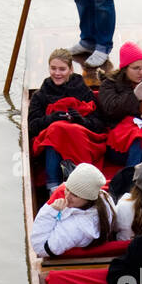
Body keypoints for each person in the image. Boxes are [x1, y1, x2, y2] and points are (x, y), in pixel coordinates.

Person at [27, 48, 103, 191]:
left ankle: (73, 183)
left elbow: (99, 124)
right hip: (52, 143)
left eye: (62, 69)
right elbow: (32, 126)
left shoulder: (84, 92)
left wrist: (80, 120)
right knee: (56, 130)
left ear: (71, 69)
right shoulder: (40, 95)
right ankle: (53, 186)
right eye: (53, 68)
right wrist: (51, 118)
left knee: (60, 130)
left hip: (80, 141)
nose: (57, 73)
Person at [97, 41, 142, 166]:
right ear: (125, 68)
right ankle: (131, 180)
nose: (141, 72)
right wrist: (134, 97)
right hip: (119, 143)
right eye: (136, 68)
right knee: (140, 137)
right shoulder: (109, 85)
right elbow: (110, 110)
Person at [30, 162, 115, 258]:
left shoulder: (74, 228)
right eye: (67, 189)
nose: (67, 196)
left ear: (88, 199)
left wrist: (50, 211)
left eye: (75, 195)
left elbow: (40, 249)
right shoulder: (105, 198)